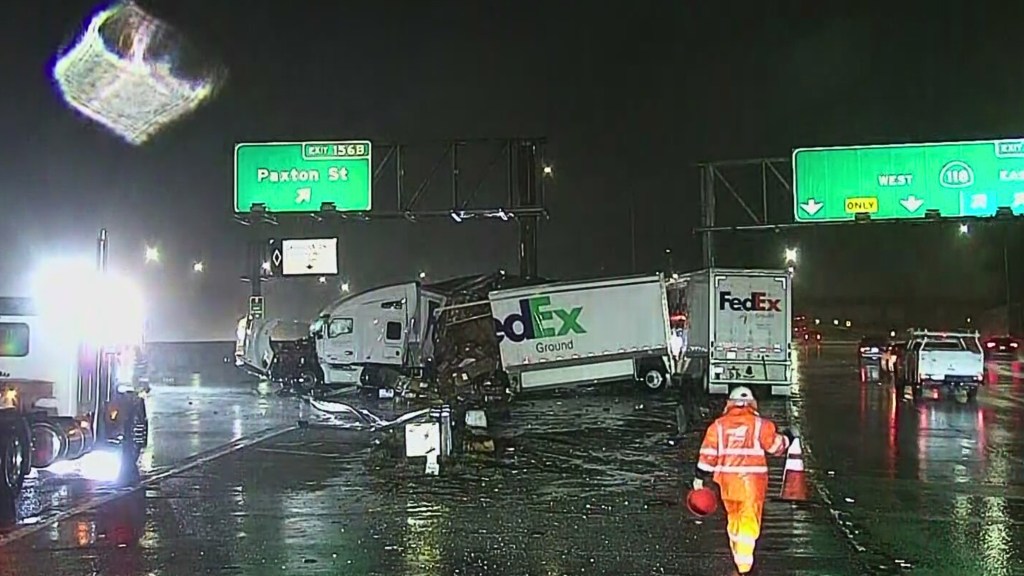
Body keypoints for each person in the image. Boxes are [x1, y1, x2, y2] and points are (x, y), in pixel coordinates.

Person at [692, 386, 794, 575]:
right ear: (752, 403)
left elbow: (707, 455)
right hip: (752, 486)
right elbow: (776, 446)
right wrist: (789, 437)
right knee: (748, 525)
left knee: (734, 520)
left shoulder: (718, 426)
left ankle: (738, 556)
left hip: (727, 486)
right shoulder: (760, 425)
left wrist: (699, 478)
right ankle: (744, 568)